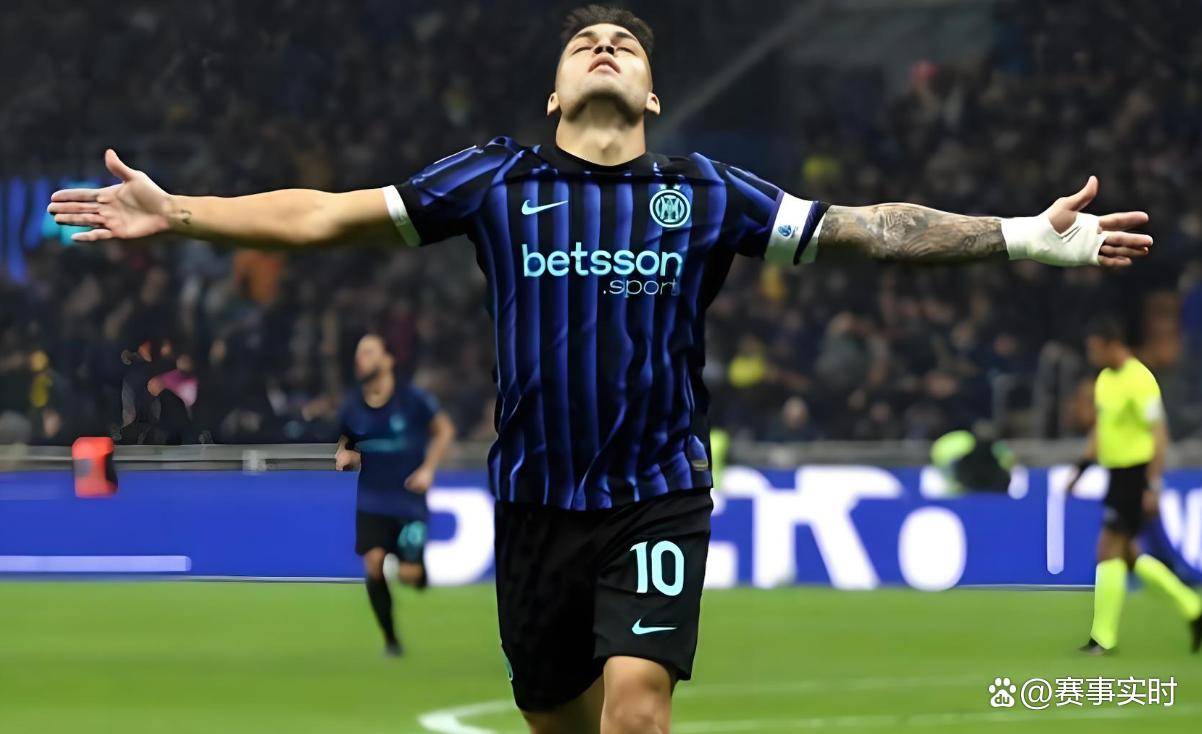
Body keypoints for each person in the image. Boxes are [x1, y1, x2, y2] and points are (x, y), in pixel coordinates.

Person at [49, 5, 1154, 731]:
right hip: (535, 507)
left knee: (637, 713)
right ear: (551, 94)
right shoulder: (492, 180)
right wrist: (179, 212)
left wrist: (1025, 234)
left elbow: (868, 229)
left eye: (626, 42)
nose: (606, 45)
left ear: (654, 96)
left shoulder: (706, 192)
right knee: (559, 719)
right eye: (585, 42)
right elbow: (325, 216)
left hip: (656, 495)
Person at [1065, 317, 1202, 655]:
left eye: (1095, 350)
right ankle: (1193, 608)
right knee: (1128, 554)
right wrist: (1080, 468)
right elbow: (1102, 430)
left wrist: (1152, 484)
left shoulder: (1140, 379)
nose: (1092, 356)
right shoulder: (1104, 380)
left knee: (1107, 549)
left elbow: (1159, 434)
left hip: (1135, 474)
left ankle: (1102, 638)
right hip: (1115, 475)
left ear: (1112, 345)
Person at [336, 334, 455, 657]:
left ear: (388, 359)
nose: (360, 358)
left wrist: (428, 468)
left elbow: (444, 430)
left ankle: (417, 571)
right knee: (373, 562)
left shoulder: (412, 400)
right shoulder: (352, 405)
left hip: (407, 501)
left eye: (368, 352)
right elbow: (346, 442)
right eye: (359, 353)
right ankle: (390, 640)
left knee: (409, 575)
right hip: (372, 499)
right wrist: (343, 455)